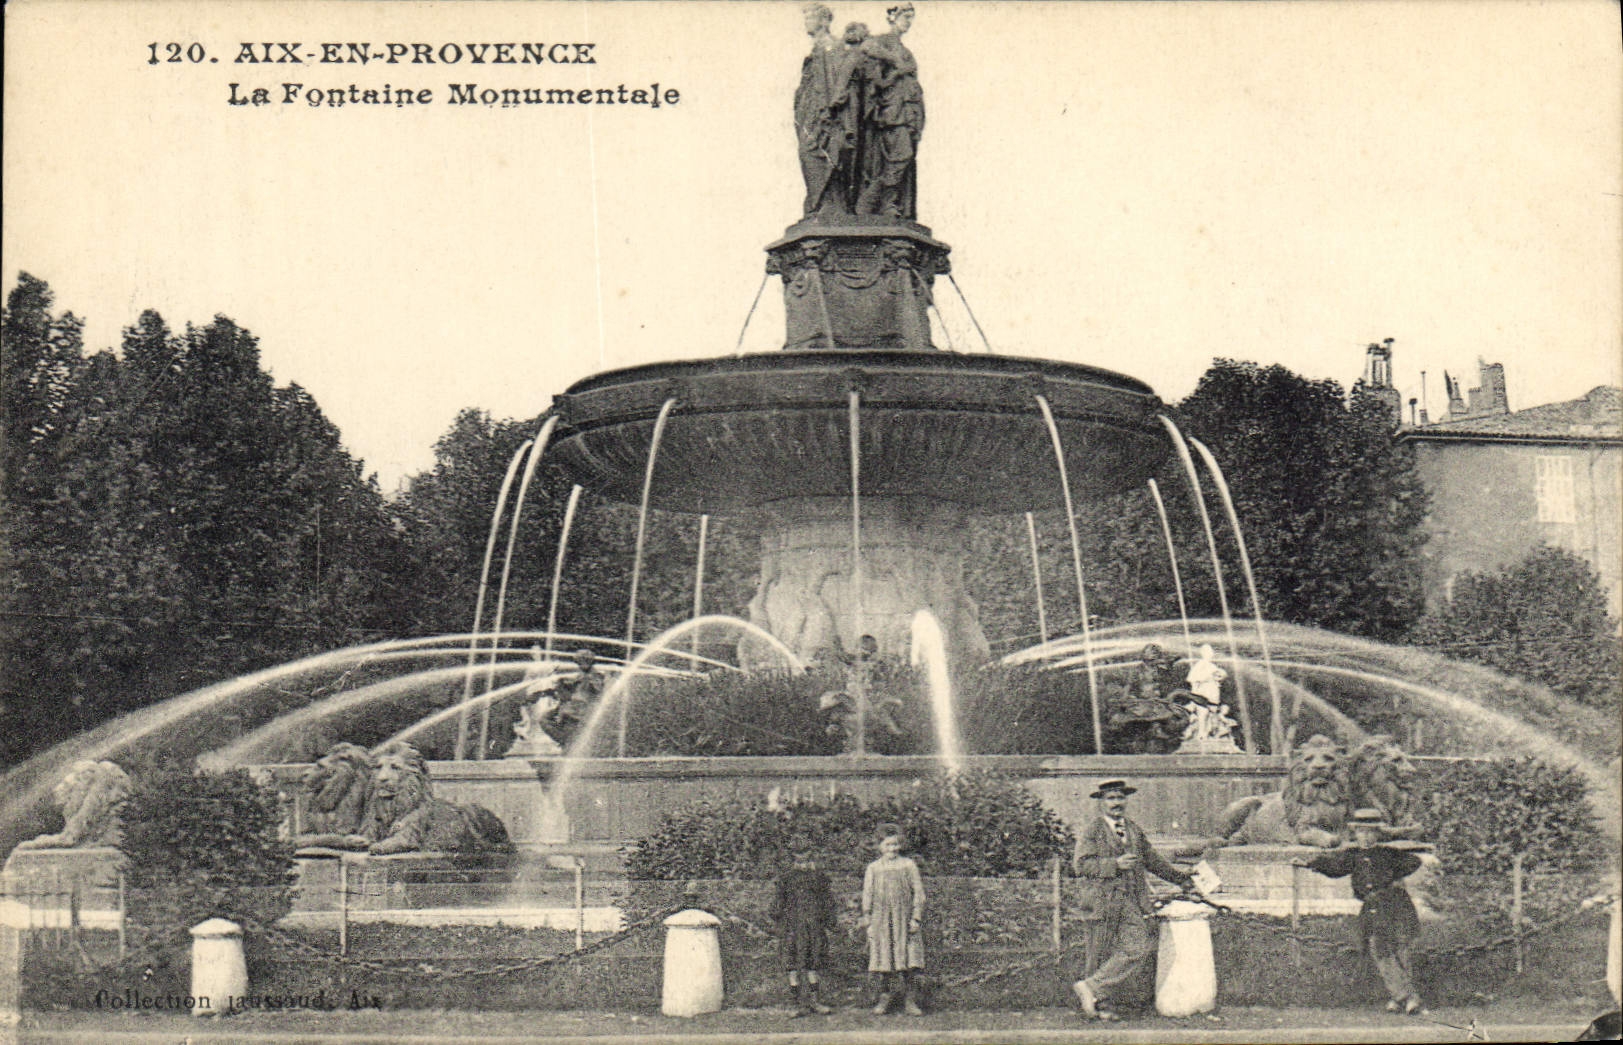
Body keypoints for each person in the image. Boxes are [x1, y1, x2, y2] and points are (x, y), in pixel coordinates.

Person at [1072, 779, 1196, 1021]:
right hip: (1102, 900)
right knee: (1100, 952)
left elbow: (1153, 860)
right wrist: (1113, 864)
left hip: (1130, 900)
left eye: (1120, 797)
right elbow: (1081, 865)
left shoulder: (1133, 830)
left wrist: (1182, 879)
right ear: (1101, 802)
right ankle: (1099, 1007)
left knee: (1138, 945)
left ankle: (1092, 987)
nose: (1117, 803)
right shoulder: (1093, 830)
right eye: (1111, 798)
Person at [1294, 808, 1426, 1015]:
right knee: (1378, 949)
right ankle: (1405, 996)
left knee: (1400, 950)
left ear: (1377, 834)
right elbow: (1335, 867)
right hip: (1372, 908)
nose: (1365, 837)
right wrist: (1310, 864)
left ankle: (1401, 997)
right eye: (1361, 832)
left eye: (1370, 832)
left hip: (1395, 905)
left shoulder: (1388, 853)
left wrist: (1390, 879)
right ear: (1355, 834)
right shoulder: (1353, 856)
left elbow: (1414, 862)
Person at [855, 3, 924, 218]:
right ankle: (876, 200)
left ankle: (889, 203)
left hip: (907, 113)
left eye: (911, 17)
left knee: (902, 158)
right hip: (892, 113)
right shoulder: (885, 41)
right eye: (905, 16)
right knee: (900, 155)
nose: (908, 21)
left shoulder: (906, 50)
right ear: (893, 17)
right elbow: (866, 47)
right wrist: (894, 62)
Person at [860, 823, 926, 1015]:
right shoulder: (873, 868)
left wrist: (916, 918)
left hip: (904, 920)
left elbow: (919, 893)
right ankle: (884, 998)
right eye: (888, 845)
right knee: (884, 961)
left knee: (908, 959)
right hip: (882, 920)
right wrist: (869, 921)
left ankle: (910, 1001)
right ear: (880, 846)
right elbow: (868, 894)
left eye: (895, 844)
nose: (893, 849)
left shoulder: (908, 865)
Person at [771, 837, 837, 1016]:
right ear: (792, 859)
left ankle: (815, 1001)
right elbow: (777, 903)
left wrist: (830, 921)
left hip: (813, 926)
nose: (803, 862)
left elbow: (828, 901)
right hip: (792, 927)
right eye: (798, 859)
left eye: (807, 858)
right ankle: (795, 1004)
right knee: (791, 964)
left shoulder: (819, 877)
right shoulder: (786, 878)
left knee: (813, 963)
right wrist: (779, 922)